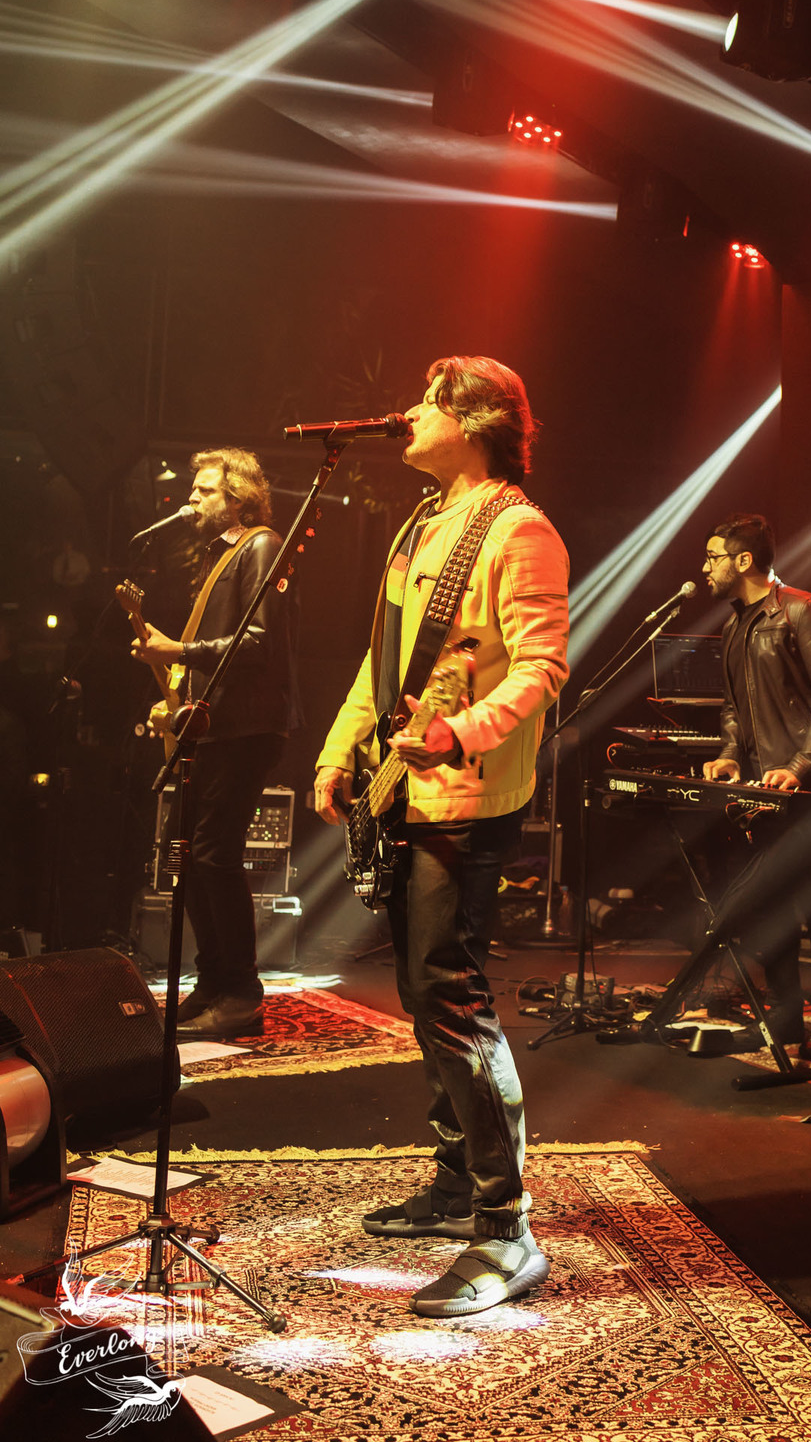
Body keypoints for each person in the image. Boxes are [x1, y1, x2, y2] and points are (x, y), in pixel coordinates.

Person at [313, 356, 569, 1319]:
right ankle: (458, 1181)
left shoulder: (519, 529)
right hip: (407, 792)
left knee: (452, 999)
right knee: (424, 994)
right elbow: (383, 663)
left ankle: (507, 1230)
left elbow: (542, 667)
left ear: (477, 420)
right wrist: (340, 749)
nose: (410, 414)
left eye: (429, 402)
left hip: (466, 797)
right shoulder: (422, 523)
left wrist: (462, 732)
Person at [131, 448, 300, 1040]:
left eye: (204, 490)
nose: (191, 500)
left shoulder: (261, 545)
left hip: (246, 727)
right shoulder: (221, 553)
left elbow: (258, 643)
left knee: (213, 856)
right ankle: (212, 981)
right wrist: (175, 686)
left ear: (238, 496)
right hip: (213, 724)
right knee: (189, 856)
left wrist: (179, 650)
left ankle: (242, 991)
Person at [701, 512, 811, 1049]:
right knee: (768, 909)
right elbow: (733, 708)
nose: (704, 569)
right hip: (759, 793)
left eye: (712, 557)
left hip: (808, 791)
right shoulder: (733, 627)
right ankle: (786, 1016)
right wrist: (729, 756)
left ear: (743, 560)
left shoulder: (803, 611)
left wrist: (799, 765)